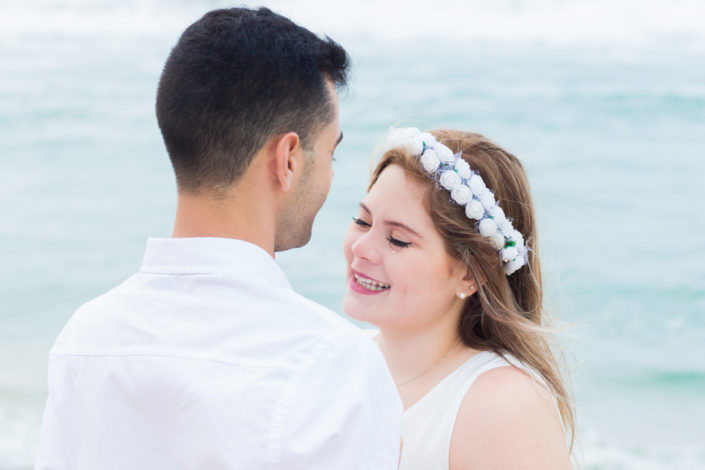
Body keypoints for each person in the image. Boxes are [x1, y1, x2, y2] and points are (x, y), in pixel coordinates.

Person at [35, 8, 402, 470]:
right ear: (287, 158)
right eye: (331, 151)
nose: (330, 173)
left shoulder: (84, 338)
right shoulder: (333, 362)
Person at [343, 127, 575, 469]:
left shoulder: (503, 405)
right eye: (362, 221)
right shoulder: (337, 359)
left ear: (471, 273)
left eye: (398, 240)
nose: (361, 249)